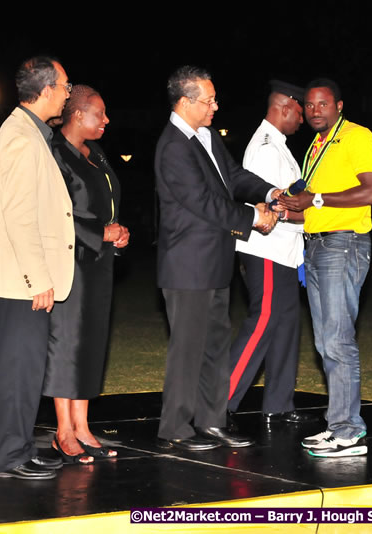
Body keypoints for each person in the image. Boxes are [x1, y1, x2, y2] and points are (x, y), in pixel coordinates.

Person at [154, 66, 279, 451]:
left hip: (214, 262)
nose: (215, 106)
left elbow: (234, 177)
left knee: (214, 347)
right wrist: (255, 217)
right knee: (188, 348)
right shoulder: (173, 145)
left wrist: (270, 192)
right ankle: (175, 427)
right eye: (208, 100)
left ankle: (211, 421)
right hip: (187, 266)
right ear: (186, 101)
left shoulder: (205, 136)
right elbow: (204, 204)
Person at [0, 56, 74, 479]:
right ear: (47, 89)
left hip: (24, 278)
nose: (69, 92)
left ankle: (18, 448)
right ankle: (9, 458)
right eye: (66, 85)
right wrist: (38, 278)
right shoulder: (19, 136)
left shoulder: (31, 132)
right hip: (21, 280)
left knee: (28, 368)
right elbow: (18, 215)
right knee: (18, 370)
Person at [278, 78, 372, 457]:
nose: (315, 111)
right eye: (309, 105)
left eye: (323, 104)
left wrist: (316, 199)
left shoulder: (357, 136)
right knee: (325, 342)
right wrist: (280, 212)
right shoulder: (314, 147)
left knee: (338, 340)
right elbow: (310, 209)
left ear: (339, 106)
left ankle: (349, 431)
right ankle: (337, 423)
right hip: (318, 246)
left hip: (344, 244)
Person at [42, 85, 129, 464]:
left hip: (99, 262)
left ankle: (82, 425)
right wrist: (98, 233)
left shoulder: (96, 153)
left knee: (91, 343)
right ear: (78, 114)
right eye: (100, 114)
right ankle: (63, 432)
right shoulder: (53, 153)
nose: (107, 120)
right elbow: (52, 212)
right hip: (69, 262)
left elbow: (102, 203)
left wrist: (117, 231)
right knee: (68, 343)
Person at [228, 80, 317, 424]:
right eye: (299, 111)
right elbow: (274, 206)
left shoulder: (279, 145)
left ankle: (279, 406)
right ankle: (221, 402)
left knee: (286, 326)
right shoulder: (266, 147)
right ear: (284, 108)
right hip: (265, 249)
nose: (303, 118)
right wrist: (319, 215)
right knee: (263, 322)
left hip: (285, 253)